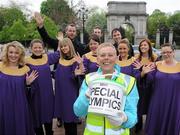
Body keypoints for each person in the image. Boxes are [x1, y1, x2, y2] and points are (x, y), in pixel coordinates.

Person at [74, 43, 139, 135]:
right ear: (97, 59)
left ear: (116, 58)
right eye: (102, 55)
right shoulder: (89, 79)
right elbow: (78, 112)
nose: (106, 58)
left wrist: (124, 119)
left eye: (110, 55)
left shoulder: (128, 81)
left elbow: (133, 116)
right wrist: (86, 97)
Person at [141, 43, 180, 135]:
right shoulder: (156, 65)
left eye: (169, 52)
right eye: (164, 53)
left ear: (173, 52)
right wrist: (143, 73)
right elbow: (148, 82)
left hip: (174, 102)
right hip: (157, 101)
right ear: (161, 54)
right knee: (155, 123)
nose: (166, 54)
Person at [0, 41, 38, 135]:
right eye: (11, 52)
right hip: (3, 105)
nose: (13, 55)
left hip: (20, 106)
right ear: (6, 53)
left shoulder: (26, 69)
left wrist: (28, 84)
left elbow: (31, 93)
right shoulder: (0, 66)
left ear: (20, 54)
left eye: (16, 53)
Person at [25, 39, 60, 135]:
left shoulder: (46, 58)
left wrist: (60, 41)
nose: (37, 49)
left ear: (43, 48)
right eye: (35, 47)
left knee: (48, 118)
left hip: (47, 94)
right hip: (34, 94)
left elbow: (58, 54)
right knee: (36, 118)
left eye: (40, 47)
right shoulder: (25, 61)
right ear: (31, 48)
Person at [54, 38, 84, 135]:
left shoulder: (75, 60)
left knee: (71, 121)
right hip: (60, 94)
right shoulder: (60, 60)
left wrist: (77, 72)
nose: (63, 48)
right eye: (61, 46)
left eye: (65, 46)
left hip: (70, 95)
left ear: (70, 46)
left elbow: (79, 76)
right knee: (66, 122)